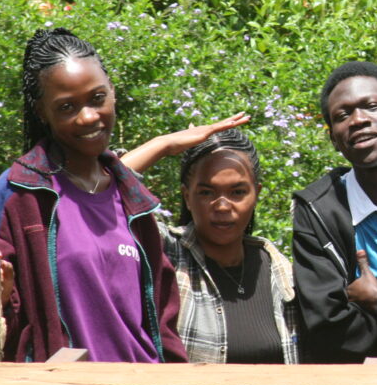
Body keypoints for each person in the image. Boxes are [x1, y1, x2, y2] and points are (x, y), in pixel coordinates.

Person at [0, 28, 186, 363]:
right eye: (66, 107)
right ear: (41, 111)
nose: (88, 116)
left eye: (97, 98)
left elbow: (163, 319)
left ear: (112, 91)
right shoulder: (18, 195)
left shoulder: (132, 198)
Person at [121, 119, 300, 363]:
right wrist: (164, 144)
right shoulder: (164, 254)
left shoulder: (278, 271)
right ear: (187, 196)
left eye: (238, 192)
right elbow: (103, 191)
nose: (223, 206)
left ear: (256, 194)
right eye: (206, 192)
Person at [292, 62, 377, 362]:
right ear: (333, 139)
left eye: (372, 106)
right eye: (343, 115)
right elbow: (328, 325)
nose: (359, 120)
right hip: (365, 381)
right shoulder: (318, 210)